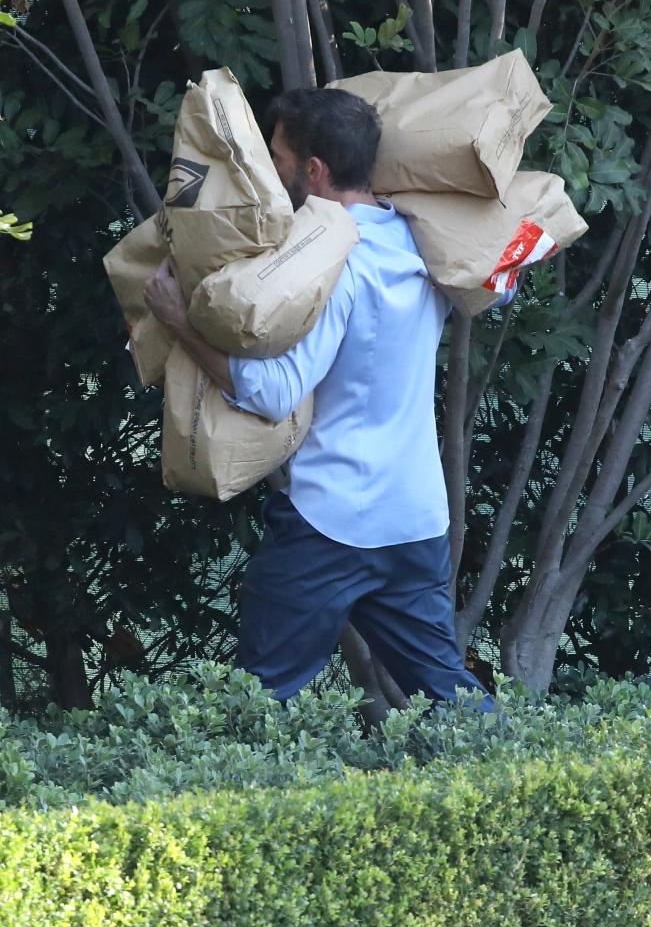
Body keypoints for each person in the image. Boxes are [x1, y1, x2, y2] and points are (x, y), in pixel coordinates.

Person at [145, 88, 515, 712]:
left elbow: (275, 390)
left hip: (333, 520)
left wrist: (179, 323)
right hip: (416, 518)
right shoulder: (421, 243)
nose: (272, 166)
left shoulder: (333, 263)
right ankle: (527, 784)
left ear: (315, 170)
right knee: (452, 701)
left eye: (281, 155)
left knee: (256, 701)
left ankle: (229, 809)